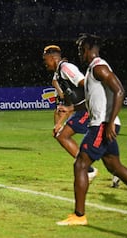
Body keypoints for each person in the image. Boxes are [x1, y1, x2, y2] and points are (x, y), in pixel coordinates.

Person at [56, 33, 127, 226]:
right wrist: (70, 108)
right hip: (103, 123)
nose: (79, 53)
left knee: (80, 165)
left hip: (102, 125)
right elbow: (91, 101)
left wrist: (109, 122)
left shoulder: (99, 67)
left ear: (86, 49)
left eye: (80, 49)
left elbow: (120, 90)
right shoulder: (92, 70)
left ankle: (79, 216)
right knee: (115, 167)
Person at [42, 45, 98, 182]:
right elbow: (67, 104)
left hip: (88, 108)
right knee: (62, 135)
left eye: (45, 60)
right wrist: (59, 124)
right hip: (80, 109)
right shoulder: (58, 74)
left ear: (52, 58)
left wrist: (96, 103)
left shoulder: (66, 68)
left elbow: (87, 85)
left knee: (65, 137)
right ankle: (106, 168)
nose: (44, 63)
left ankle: (89, 169)